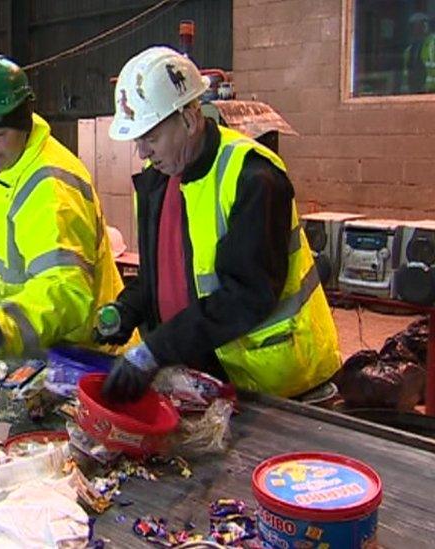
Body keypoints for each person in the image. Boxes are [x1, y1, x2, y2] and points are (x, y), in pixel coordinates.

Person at [95, 46, 341, 402]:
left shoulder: (252, 177)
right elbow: (158, 275)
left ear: (189, 120)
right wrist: (126, 310)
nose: (142, 152)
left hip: (278, 384)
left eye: (150, 137)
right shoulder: (158, 179)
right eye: (137, 140)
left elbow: (246, 295)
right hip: (209, 378)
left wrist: (157, 349)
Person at [0, 54, 127, 358]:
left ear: (24, 124)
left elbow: (67, 289)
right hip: (28, 346)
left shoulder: (51, 185)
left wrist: (4, 325)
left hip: (84, 353)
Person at [400, 12, 435, 94]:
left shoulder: (433, 44)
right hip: (414, 92)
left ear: (425, 26)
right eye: (412, 27)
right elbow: (406, 73)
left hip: (431, 92)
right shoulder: (409, 50)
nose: (414, 30)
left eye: (417, 26)